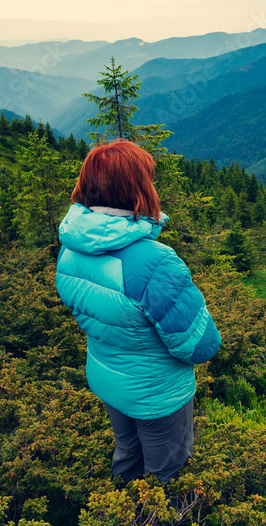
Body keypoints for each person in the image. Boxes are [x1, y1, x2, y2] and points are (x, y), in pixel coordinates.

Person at [55, 139, 221, 483]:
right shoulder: (153, 263)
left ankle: (117, 509)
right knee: (165, 472)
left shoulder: (70, 250)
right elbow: (199, 346)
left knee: (127, 454)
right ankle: (155, 517)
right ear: (138, 189)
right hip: (156, 394)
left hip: (108, 379)